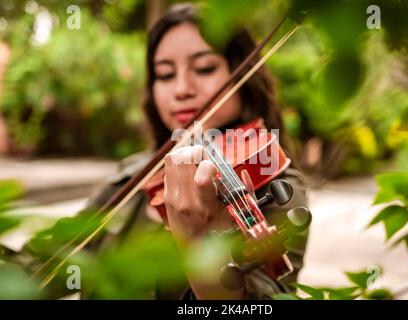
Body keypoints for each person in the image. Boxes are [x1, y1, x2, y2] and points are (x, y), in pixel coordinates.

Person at [82, 3, 309, 300]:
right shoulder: (133, 175)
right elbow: (44, 263)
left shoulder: (274, 179)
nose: (181, 89)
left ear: (244, 75)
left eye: (204, 68)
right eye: (164, 74)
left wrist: (202, 251)